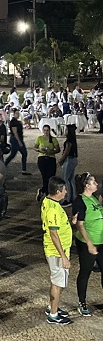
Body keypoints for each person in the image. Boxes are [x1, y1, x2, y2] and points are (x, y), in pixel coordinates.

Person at [41, 176, 73, 325]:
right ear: (58, 191)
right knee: (57, 283)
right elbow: (53, 234)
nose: (66, 192)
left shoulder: (48, 201)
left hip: (55, 250)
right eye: (64, 190)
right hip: (56, 252)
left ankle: (51, 307)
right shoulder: (53, 209)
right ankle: (53, 315)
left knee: (56, 281)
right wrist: (63, 257)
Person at [71, 173, 103, 317]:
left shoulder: (94, 198)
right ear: (87, 186)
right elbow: (80, 224)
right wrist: (90, 244)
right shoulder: (80, 201)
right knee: (85, 272)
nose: (97, 184)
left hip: (101, 241)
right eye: (94, 182)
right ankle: (82, 302)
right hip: (87, 243)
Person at [34, 124, 60, 202]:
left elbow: (58, 149)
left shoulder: (53, 139)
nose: (46, 132)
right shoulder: (39, 138)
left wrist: (51, 151)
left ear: (49, 131)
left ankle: (43, 190)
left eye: (47, 130)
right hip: (42, 158)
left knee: (50, 176)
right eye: (44, 130)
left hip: (51, 158)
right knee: (45, 176)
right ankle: (47, 193)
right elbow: (35, 147)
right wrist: (39, 150)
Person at [4, 108, 31, 175]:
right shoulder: (13, 122)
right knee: (17, 154)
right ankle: (4, 166)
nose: (18, 115)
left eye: (18, 114)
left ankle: (23, 170)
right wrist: (19, 142)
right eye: (16, 113)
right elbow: (15, 132)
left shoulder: (16, 121)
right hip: (16, 140)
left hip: (17, 139)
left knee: (18, 154)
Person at [59, 124, 78, 206]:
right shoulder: (73, 140)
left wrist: (61, 160)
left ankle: (68, 198)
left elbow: (66, 152)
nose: (65, 131)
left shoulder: (68, 141)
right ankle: (74, 197)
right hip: (73, 159)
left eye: (66, 130)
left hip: (69, 160)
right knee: (71, 179)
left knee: (65, 179)